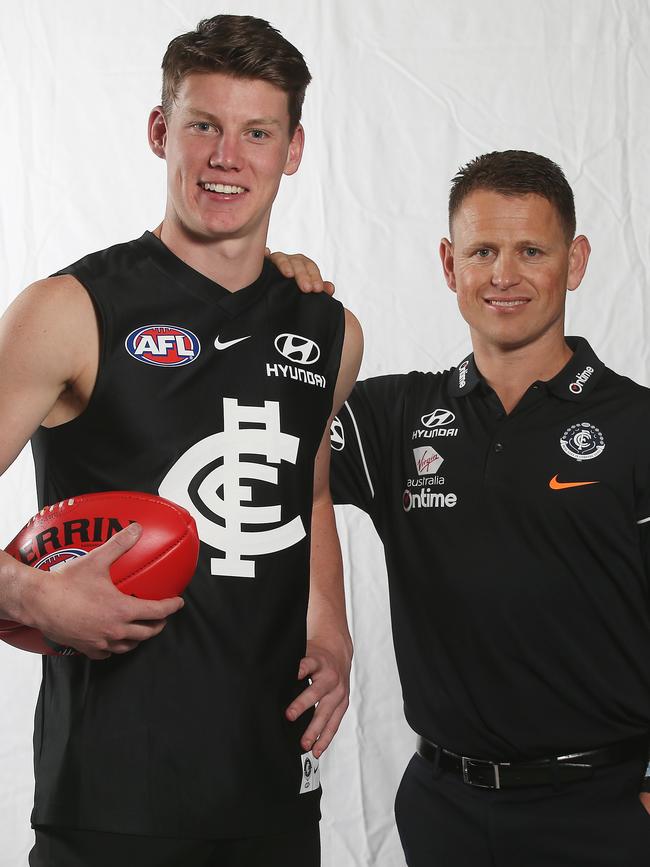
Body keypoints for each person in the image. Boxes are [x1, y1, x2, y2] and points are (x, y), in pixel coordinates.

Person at [0, 14, 362, 867]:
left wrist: (332, 626)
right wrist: (29, 597)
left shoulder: (329, 329)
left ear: (293, 148)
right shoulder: (68, 310)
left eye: (257, 132)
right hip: (112, 801)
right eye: (204, 125)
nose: (227, 157)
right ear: (161, 131)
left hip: (272, 792)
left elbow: (304, 491)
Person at [274, 150, 650, 865]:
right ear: (450, 265)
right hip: (445, 808)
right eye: (483, 251)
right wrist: (271, 291)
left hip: (606, 811)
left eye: (530, 250)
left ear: (575, 262)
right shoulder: (395, 417)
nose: (504, 275)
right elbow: (276, 443)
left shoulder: (637, 424)